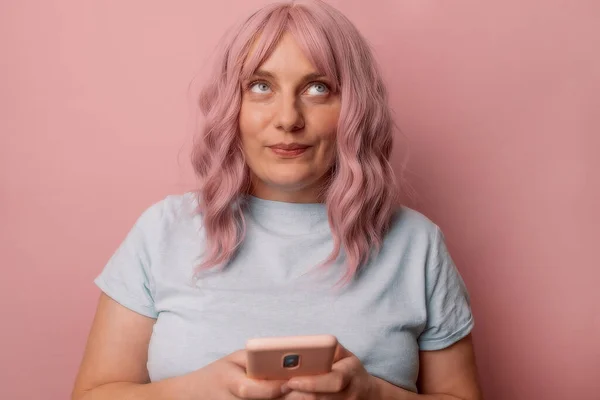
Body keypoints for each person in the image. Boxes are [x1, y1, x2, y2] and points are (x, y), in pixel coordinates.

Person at [72, 1, 483, 399]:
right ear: (232, 106)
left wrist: (372, 394)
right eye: (261, 86)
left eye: (317, 88)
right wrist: (196, 391)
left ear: (354, 107)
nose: (288, 119)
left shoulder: (416, 244)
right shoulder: (161, 231)